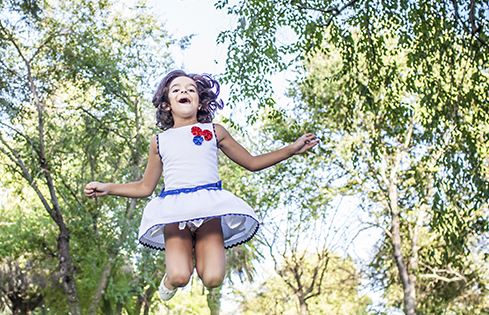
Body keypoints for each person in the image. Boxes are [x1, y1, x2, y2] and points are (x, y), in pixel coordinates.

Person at [84, 70, 318, 300]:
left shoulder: (215, 132)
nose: (184, 92)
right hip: (175, 212)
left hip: (209, 209)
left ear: (200, 102)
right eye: (176, 90)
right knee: (179, 277)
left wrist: (291, 149)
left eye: (191, 89)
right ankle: (174, 272)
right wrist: (108, 187)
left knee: (213, 279)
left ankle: (196, 248)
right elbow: (145, 187)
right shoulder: (159, 141)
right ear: (166, 104)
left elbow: (252, 163)